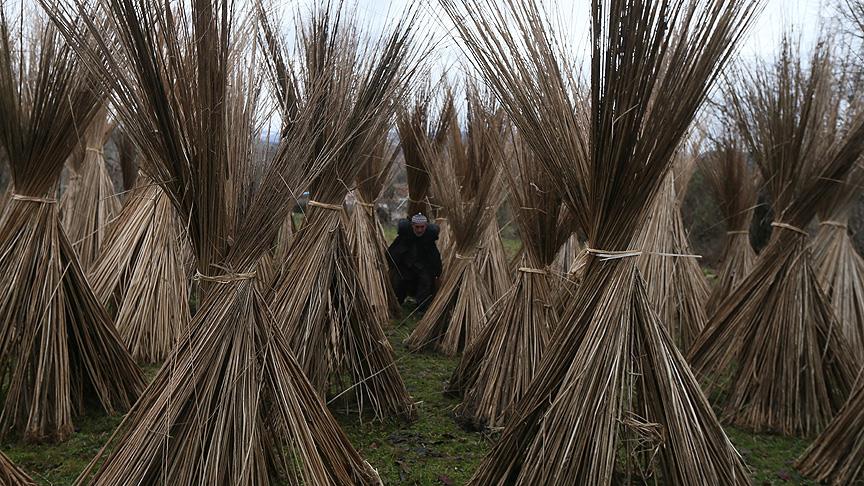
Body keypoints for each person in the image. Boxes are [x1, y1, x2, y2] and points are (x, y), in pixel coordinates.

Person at [387, 213, 442, 312]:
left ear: (426, 226)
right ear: (412, 226)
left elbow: (435, 257)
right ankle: (397, 305)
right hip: (405, 267)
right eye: (417, 227)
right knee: (399, 280)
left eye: (422, 227)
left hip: (422, 268)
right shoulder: (404, 237)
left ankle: (421, 308)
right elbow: (393, 252)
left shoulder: (429, 238)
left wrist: (437, 272)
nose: (419, 230)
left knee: (426, 281)